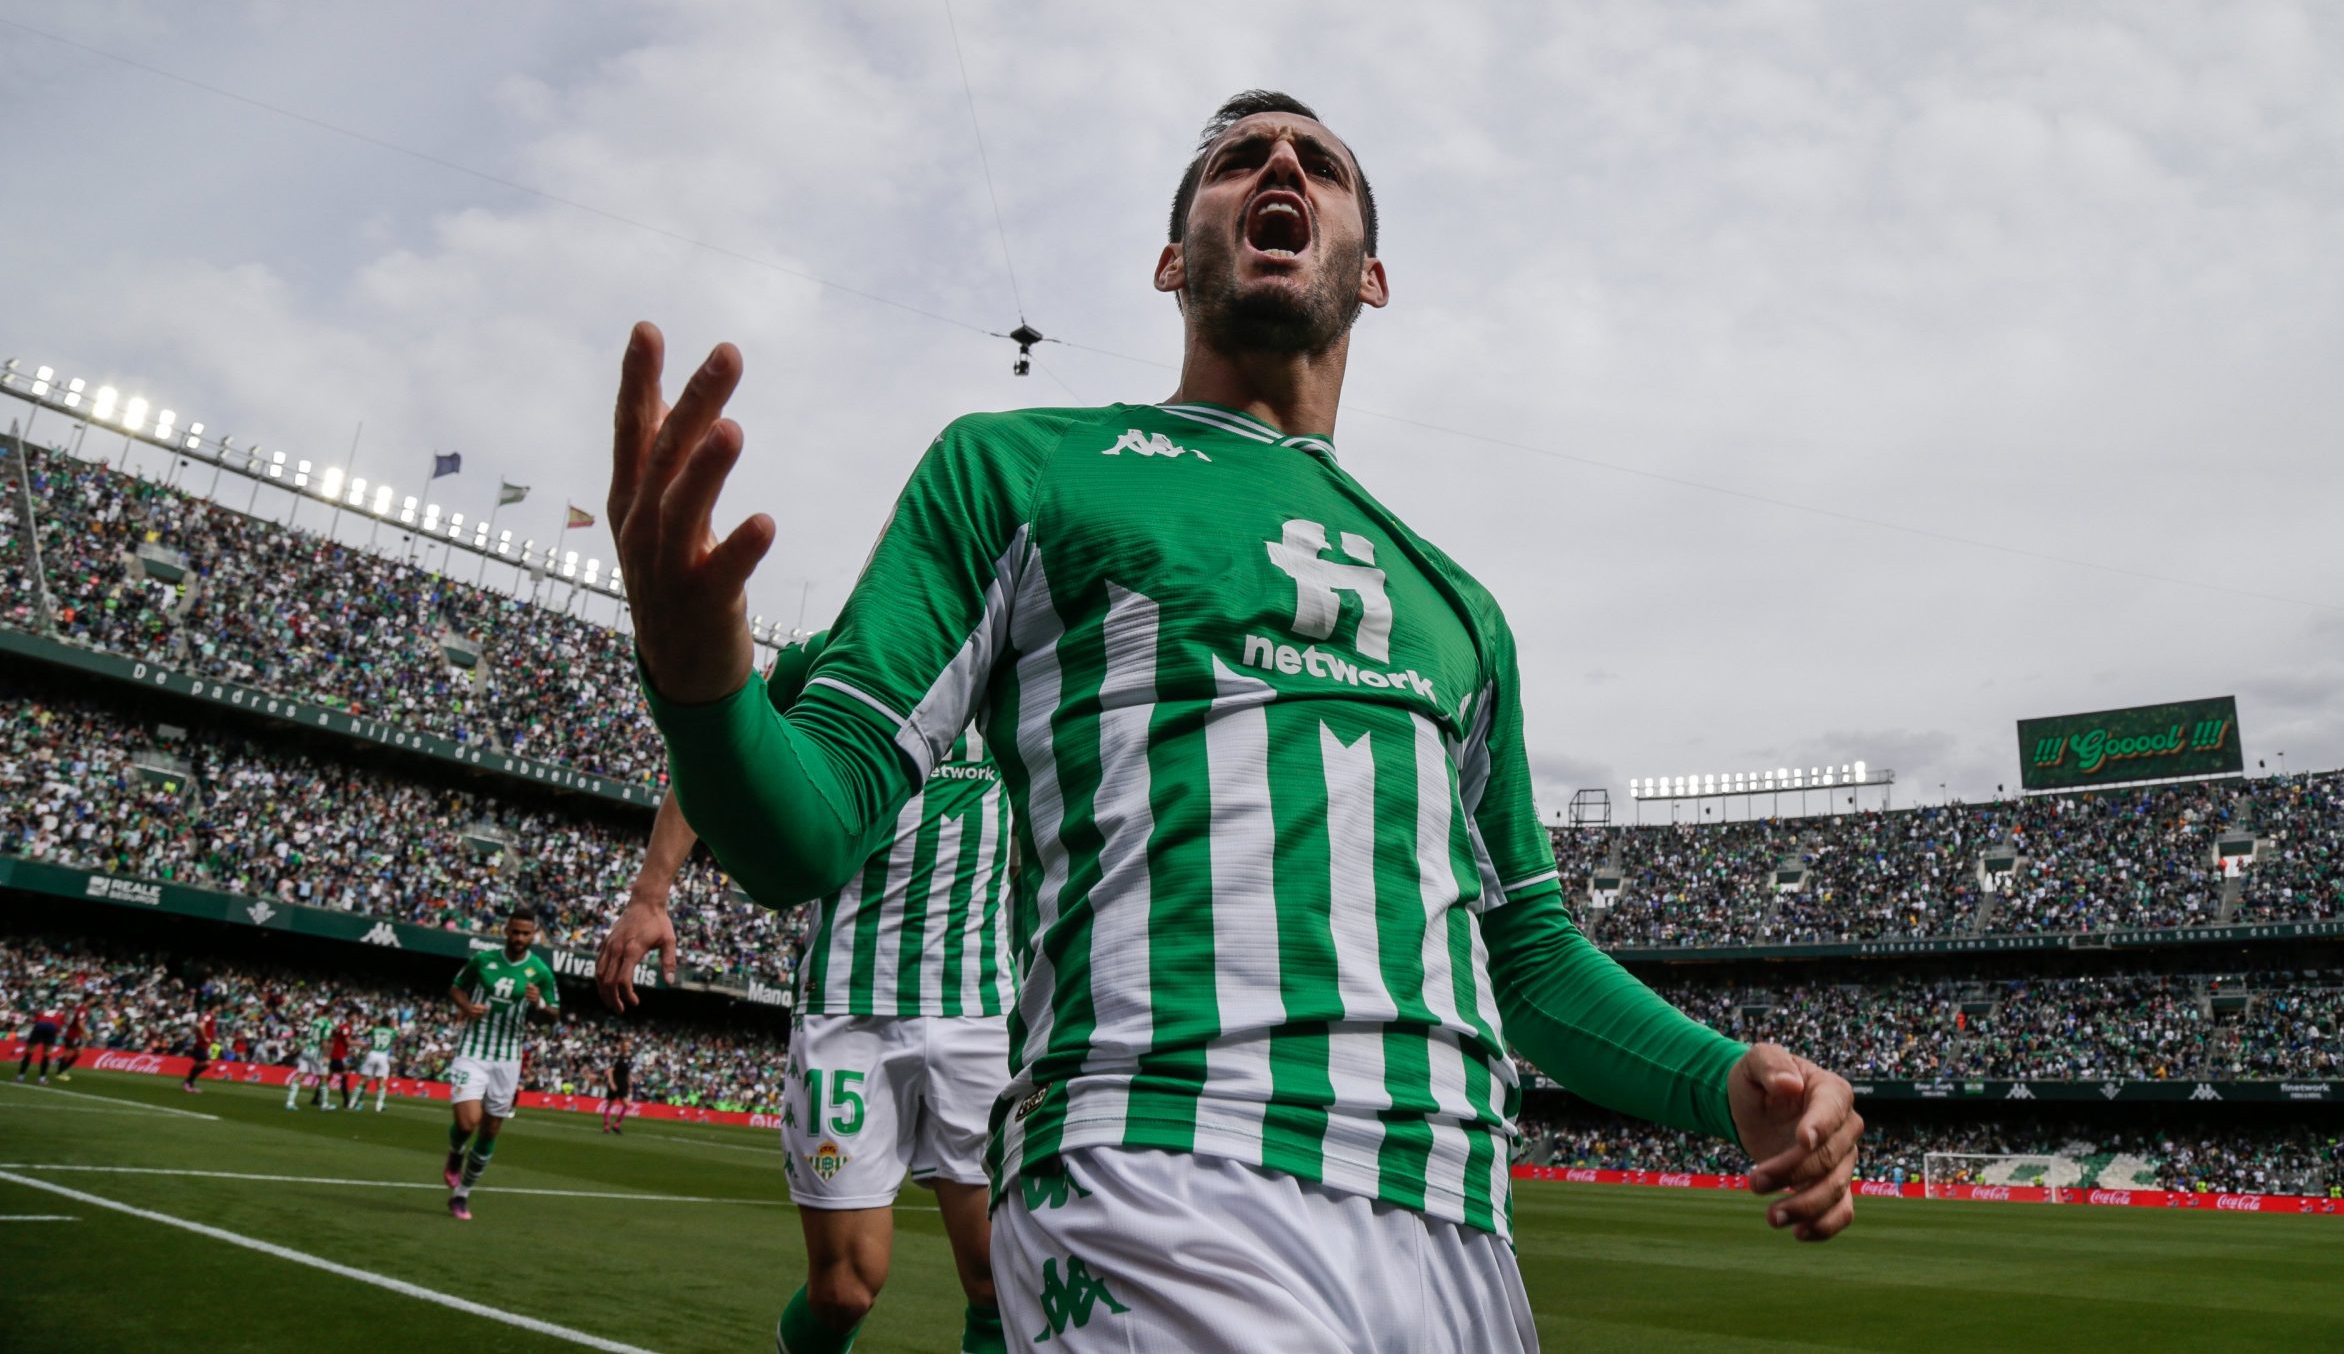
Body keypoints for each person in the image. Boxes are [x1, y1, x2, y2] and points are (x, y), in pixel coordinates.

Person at [608, 91, 1862, 1352]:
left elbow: (1523, 951)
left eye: (1317, 161)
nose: (1279, 161)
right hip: (1158, 1166)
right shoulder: (1019, 468)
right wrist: (698, 684)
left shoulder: (1458, 606)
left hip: (1457, 1218)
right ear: (1173, 260)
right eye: (1236, 159)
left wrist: (1719, 1080)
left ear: (1370, 274)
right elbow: (801, 832)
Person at [601, 708, 1014, 1354]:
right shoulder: (839, 662)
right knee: (843, 1289)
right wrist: (651, 894)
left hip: (980, 1010)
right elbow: (713, 747)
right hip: (849, 1008)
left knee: (1002, 1282)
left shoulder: (1020, 666)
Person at [442, 908, 560, 1221]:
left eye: (525, 933)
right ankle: (455, 1153)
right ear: (505, 931)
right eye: (514, 932)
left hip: (508, 1058)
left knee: (491, 1128)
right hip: (473, 1049)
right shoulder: (483, 960)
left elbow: (555, 1015)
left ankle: (462, 1195)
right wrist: (467, 1008)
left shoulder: (541, 972)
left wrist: (541, 1004)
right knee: (468, 1122)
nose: (519, 938)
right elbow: (455, 988)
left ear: (533, 935)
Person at [283, 1012, 335, 1110]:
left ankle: (290, 1102)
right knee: (324, 1077)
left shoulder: (315, 1021)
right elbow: (324, 1041)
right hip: (316, 1051)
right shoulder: (327, 1023)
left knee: (301, 1075)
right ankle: (324, 1104)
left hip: (306, 1049)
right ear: (330, 1015)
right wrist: (326, 1056)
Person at [15, 997, 65, 1083]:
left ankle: (20, 1077)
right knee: (47, 1053)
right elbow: (59, 1028)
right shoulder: (61, 1014)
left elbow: (36, 1022)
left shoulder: (42, 1012)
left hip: (40, 1025)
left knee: (29, 1052)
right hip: (51, 1027)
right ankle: (42, 1078)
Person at [358, 1014, 398, 1113]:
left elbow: (362, 1033)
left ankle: (359, 1102)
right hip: (382, 1057)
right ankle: (378, 1103)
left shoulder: (375, 1029)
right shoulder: (392, 1031)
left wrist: (372, 1025)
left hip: (371, 1055)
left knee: (366, 1080)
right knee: (380, 1081)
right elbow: (398, 1034)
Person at [184, 1007, 219, 1093]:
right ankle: (188, 1082)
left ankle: (189, 1083)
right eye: (219, 1006)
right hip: (201, 1045)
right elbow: (201, 1025)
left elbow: (199, 1027)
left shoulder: (210, 1016)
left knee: (199, 1064)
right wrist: (205, 1037)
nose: (220, 1008)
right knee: (206, 1063)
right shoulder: (208, 1016)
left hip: (203, 1045)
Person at [52, 999, 89, 1082]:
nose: (70, 1004)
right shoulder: (74, 1011)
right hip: (70, 1034)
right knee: (68, 1052)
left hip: (76, 1035)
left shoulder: (77, 1011)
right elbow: (74, 1023)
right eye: (69, 1002)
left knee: (79, 1053)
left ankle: (63, 1068)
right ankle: (60, 1072)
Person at [599, 1051, 633, 1134]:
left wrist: (630, 1085)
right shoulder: (617, 1061)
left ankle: (616, 1125)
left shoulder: (629, 1063)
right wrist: (612, 1083)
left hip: (623, 1085)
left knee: (626, 1104)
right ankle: (606, 1126)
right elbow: (610, 1071)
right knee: (610, 1104)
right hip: (616, 1083)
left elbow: (628, 1074)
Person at [326, 1019, 356, 1113]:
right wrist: (361, 1043)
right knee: (344, 1076)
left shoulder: (343, 1027)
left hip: (337, 1054)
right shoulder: (346, 1027)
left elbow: (335, 1036)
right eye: (356, 1016)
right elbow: (348, 1042)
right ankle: (347, 1101)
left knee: (327, 1077)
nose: (357, 1018)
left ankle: (316, 1098)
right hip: (338, 1055)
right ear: (351, 1016)